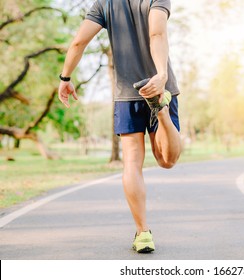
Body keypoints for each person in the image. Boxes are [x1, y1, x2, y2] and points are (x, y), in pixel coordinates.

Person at [57, 0, 181, 253]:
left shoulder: (104, 3)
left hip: (127, 92)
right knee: (167, 161)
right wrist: (161, 76)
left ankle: (143, 233)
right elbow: (156, 32)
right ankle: (162, 110)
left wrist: (66, 77)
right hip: (159, 86)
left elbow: (79, 43)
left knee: (132, 162)